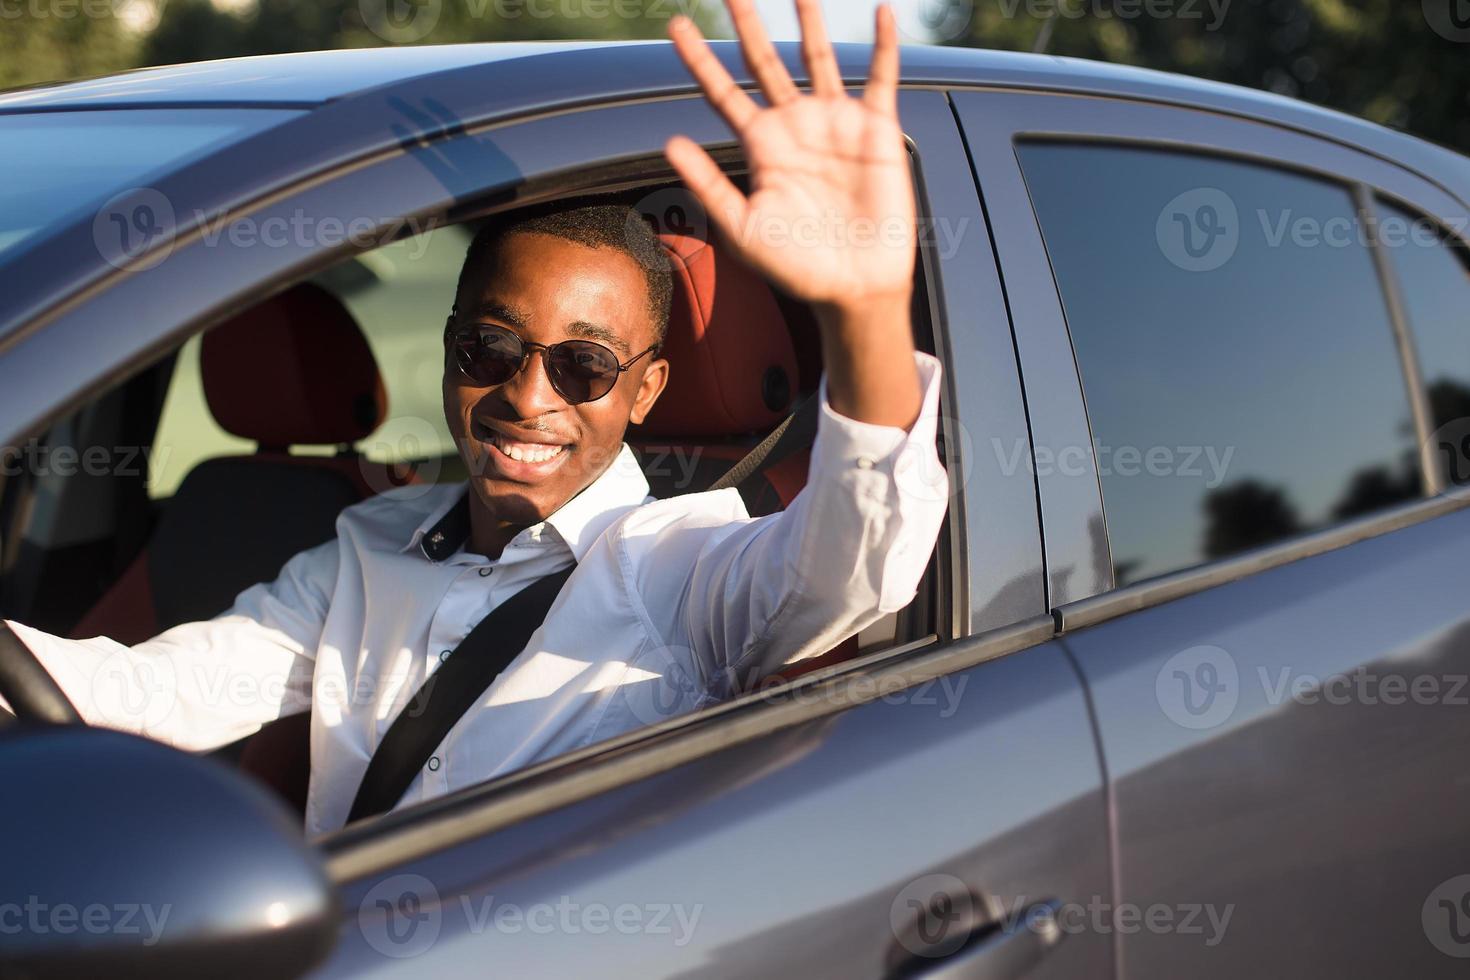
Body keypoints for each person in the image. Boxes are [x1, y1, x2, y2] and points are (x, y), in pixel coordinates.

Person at [3, 0, 948, 835]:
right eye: (490, 349)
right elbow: (152, 691)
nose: (526, 398)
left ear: (647, 390)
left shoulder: (683, 571)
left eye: (583, 367)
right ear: (452, 344)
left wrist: (862, 313)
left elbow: (855, 565)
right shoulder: (367, 552)